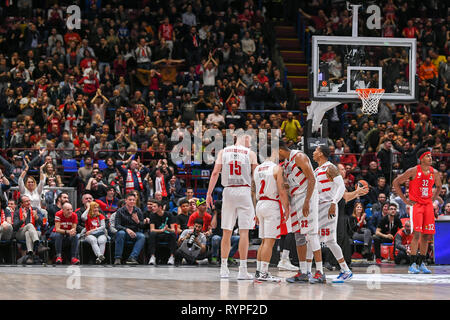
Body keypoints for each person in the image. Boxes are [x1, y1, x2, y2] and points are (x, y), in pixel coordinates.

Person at [206, 132, 258, 280]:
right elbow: (256, 175)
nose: (251, 143)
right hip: (244, 191)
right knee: (244, 232)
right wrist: (258, 196)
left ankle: (223, 268)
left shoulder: (223, 151)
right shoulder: (250, 153)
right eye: (250, 139)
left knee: (226, 231)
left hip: (228, 191)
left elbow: (215, 172)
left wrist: (209, 193)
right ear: (244, 138)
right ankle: (242, 270)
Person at [277, 141, 323, 284]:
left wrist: (308, 200)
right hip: (296, 199)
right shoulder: (285, 163)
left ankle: (320, 272)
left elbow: (312, 178)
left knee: (312, 234)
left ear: (280, 149)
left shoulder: (299, 156)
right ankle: (303, 272)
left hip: (306, 198)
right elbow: (290, 183)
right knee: (298, 235)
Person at [393, 148, 442, 274]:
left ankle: (421, 263)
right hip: (417, 206)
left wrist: (433, 199)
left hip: (428, 206)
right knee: (417, 234)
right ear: (421, 159)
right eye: (427, 156)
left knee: (426, 236)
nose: (430, 158)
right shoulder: (413, 170)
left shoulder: (434, 172)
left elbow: (439, 186)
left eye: (431, 156)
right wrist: (405, 200)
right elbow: (396, 182)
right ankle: (412, 264)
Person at [312, 146, 351, 283]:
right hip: (319, 206)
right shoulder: (317, 170)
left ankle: (316, 271)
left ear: (321, 154)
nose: (313, 152)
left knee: (314, 236)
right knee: (329, 241)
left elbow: (341, 186)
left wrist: (334, 203)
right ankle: (345, 269)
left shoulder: (330, 167)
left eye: (316, 150)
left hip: (328, 205)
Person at [253, 145, 289, 282]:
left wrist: (255, 210)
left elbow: (253, 189)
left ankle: (259, 271)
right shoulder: (276, 168)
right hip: (271, 203)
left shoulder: (257, 169)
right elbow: (281, 190)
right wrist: (286, 208)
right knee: (269, 241)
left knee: (263, 241)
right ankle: (264, 273)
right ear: (273, 152)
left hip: (260, 203)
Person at [113, 193, 146, 265]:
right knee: (121, 233)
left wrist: (137, 221)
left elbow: (142, 226)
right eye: (130, 200)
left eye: (133, 200)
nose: (132, 201)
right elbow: (117, 225)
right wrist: (127, 229)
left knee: (142, 236)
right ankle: (118, 258)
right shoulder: (120, 211)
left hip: (135, 233)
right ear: (126, 201)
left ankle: (132, 258)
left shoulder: (138, 211)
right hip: (124, 233)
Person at [13, 195, 45, 264]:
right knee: (29, 225)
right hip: (20, 233)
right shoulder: (17, 212)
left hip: (34, 232)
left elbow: (43, 224)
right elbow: (15, 227)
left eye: (29, 201)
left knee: (28, 233)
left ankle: (30, 255)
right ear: (21, 204)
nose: (28, 202)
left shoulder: (35, 210)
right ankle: (38, 244)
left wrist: (36, 217)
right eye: (26, 201)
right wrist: (22, 220)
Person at [147, 200, 177, 266]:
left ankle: (172, 257)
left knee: (173, 234)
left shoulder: (169, 214)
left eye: (154, 206)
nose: (152, 208)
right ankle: (152, 256)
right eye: (152, 206)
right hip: (158, 234)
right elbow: (152, 229)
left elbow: (173, 230)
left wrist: (167, 229)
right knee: (152, 234)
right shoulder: (152, 215)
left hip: (167, 233)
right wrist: (162, 230)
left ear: (160, 207)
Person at [210, 200, 239, 266]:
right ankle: (214, 257)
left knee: (238, 239)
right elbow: (213, 226)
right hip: (218, 236)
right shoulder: (214, 214)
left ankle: (229, 256)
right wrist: (215, 214)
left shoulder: (229, 214)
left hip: (228, 236)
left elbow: (234, 225)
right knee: (215, 239)